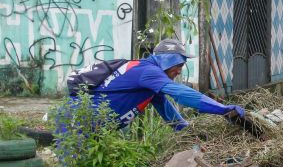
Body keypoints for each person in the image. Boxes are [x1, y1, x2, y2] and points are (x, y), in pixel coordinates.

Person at [67, 38, 244, 130]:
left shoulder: (150, 81)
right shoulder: (148, 72)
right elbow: (181, 94)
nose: (180, 71)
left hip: (91, 126)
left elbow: (168, 113)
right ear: (168, 60)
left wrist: (189, 133)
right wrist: (223, 109)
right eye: (179, 65)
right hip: (78, 125)